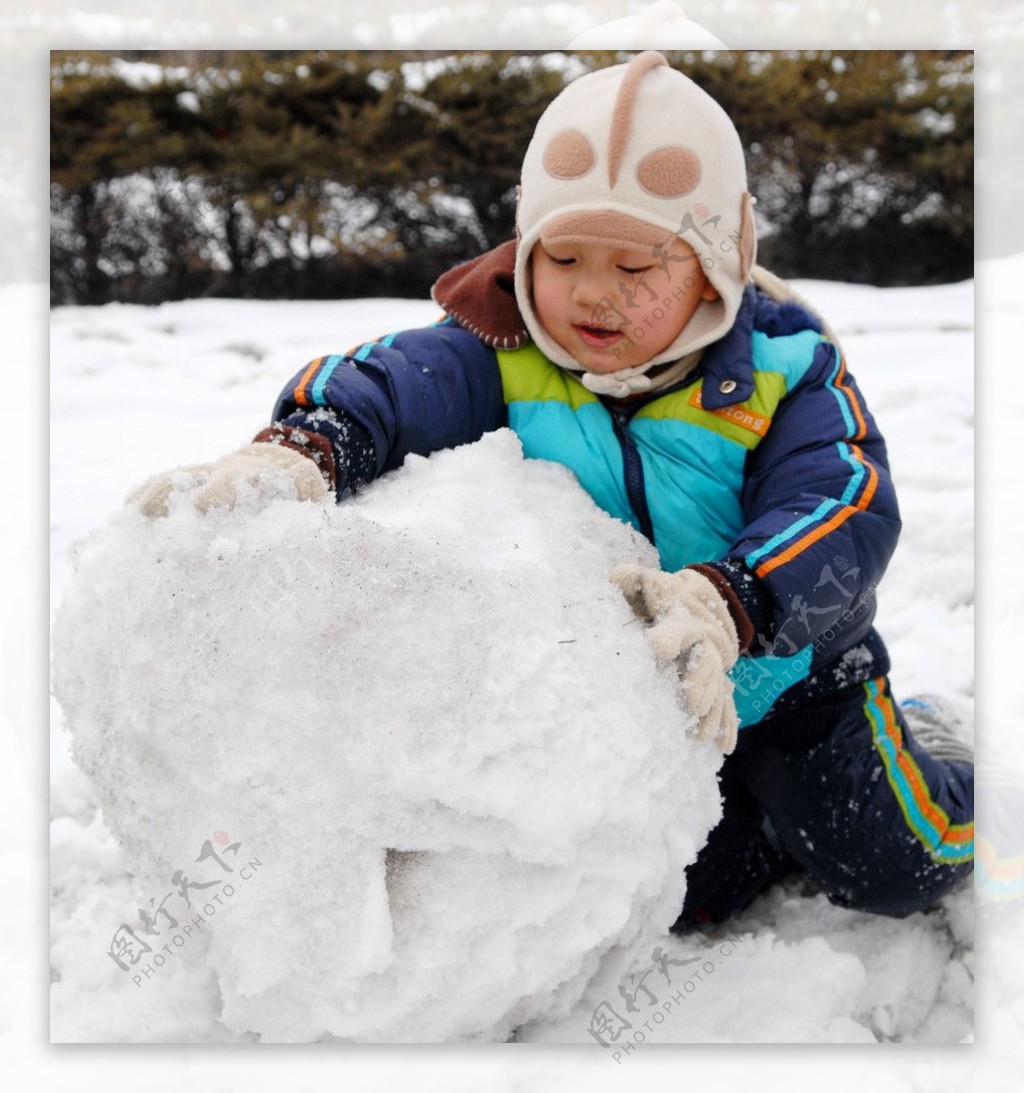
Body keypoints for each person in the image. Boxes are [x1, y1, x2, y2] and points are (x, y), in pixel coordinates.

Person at [132, 51, 974, 927]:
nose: (592, 292)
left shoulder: (783, 371)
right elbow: (391, 383)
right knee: (685, 897)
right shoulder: (502, 354)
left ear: (721, 262)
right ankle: (763, 828)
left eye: (639, 266)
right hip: (652, 695)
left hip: (797, 675)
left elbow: (843, 503)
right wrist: (305, 447)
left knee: (882, 861)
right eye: (563, 254)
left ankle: (938, 753)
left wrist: (734, 602)